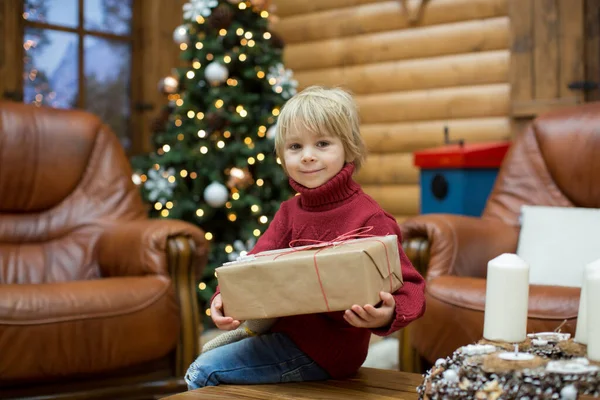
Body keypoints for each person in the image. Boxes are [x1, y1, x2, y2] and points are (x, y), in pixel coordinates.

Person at [185, 86, 426, 389]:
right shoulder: (289, 212)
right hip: (281, 335)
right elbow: (252, 264)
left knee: (203, 372)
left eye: (322, 143)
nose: (308, 157)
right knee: (211, 358)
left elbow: (412, 288)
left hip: (328, 350)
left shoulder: (370, 218)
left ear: (349, 149)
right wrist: (224, 297)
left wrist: (387, 314)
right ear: (282, 156)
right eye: (295, 147)